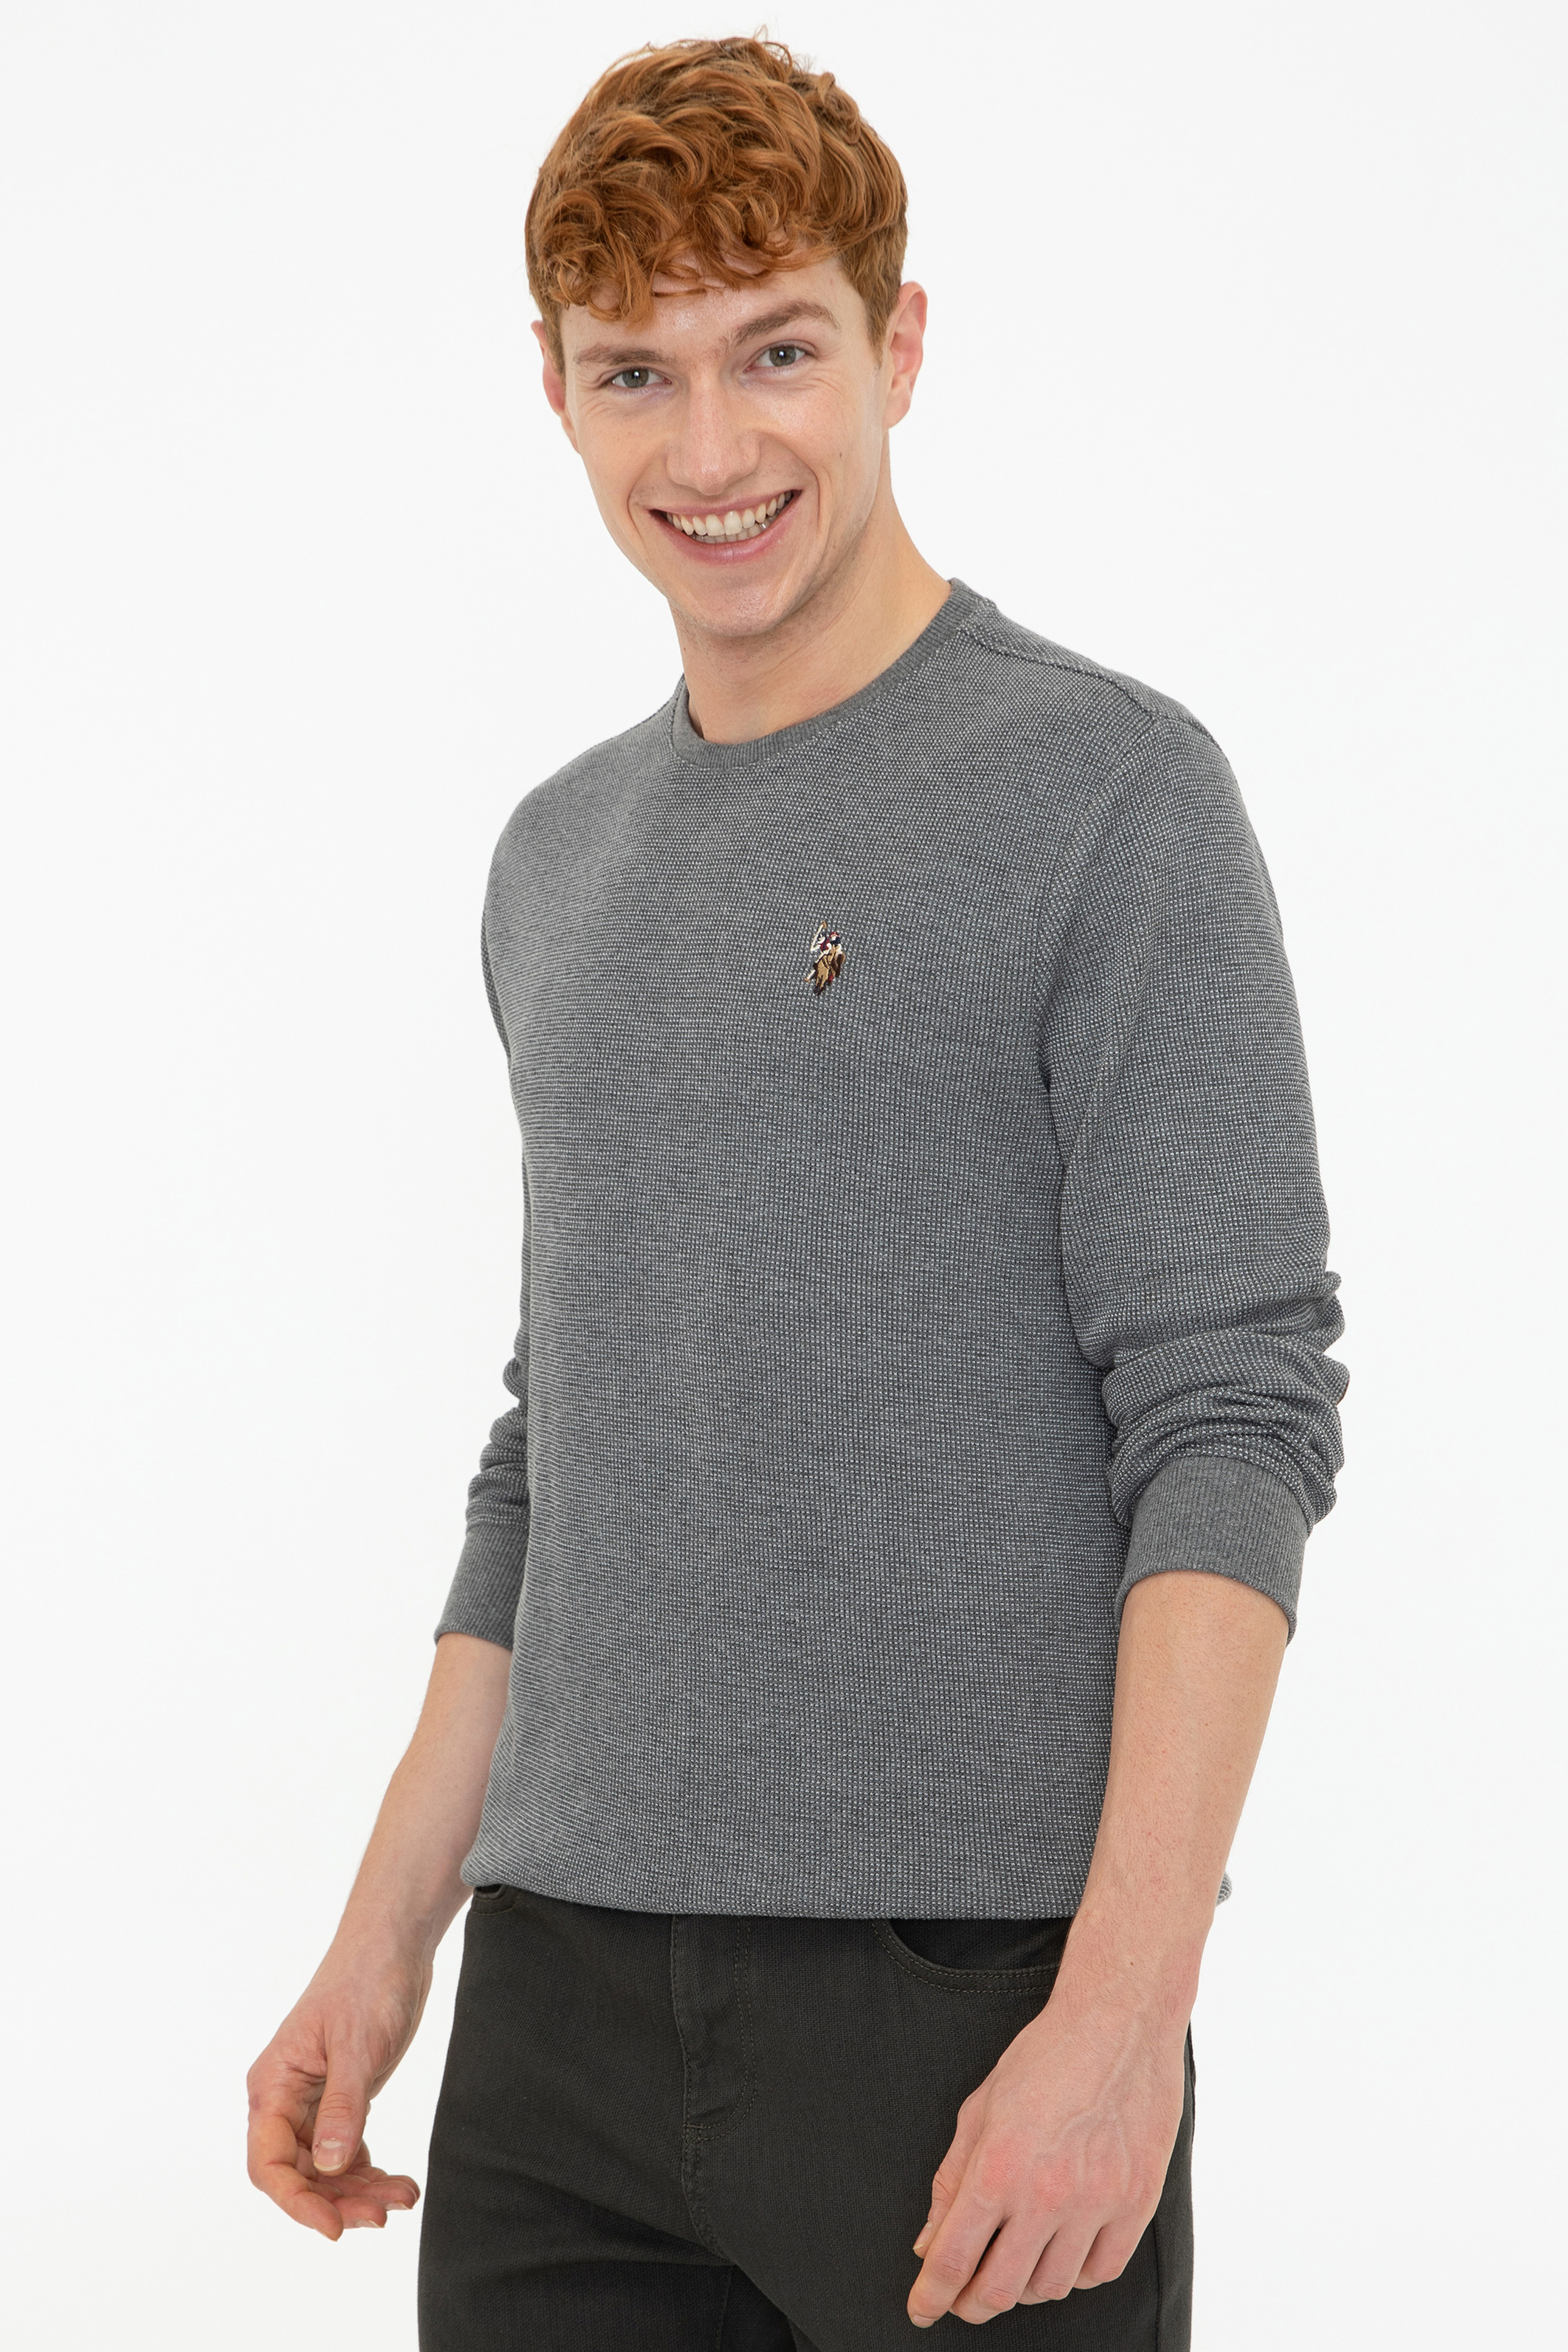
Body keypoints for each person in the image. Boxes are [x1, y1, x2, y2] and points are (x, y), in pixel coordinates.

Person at [246, 36, 1347, 2350]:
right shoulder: (555, 860)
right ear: (554, 392)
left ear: (898, 344)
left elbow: (1230, 1418)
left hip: (961, 2010)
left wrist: (1121, 2018)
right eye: (634, 373)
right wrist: (384, 1937)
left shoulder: (1105, 793)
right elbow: (560, 1443)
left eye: (777, 352)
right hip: (557, 2020)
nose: (711, 451)